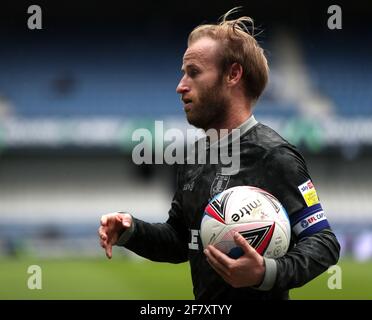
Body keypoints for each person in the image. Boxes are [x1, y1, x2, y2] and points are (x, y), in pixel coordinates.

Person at [98, 9, 340, 300]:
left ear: (233, 75)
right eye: (183, 73)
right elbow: (181, 240)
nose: (180, 86)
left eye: (194, 72)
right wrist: (130, 230)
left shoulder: (274, 155)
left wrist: (266, 272)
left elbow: (324, 242)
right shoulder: (194, 156)